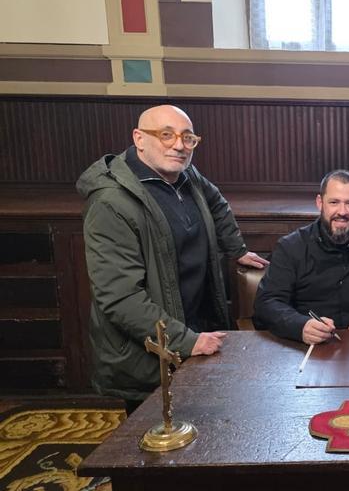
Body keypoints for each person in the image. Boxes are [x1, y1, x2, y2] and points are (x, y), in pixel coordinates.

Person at [77, 104, 268, 413]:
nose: (179, 145)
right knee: (155, 433)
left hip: (196, 331)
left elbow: (216, 203)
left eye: (187, 137)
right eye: (166, 135)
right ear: (139, 138)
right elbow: (121, 298)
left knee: (207, 424)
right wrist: (186, 341)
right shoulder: (110, 203)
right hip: (151, 352)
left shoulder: (185, 173)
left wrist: (236, 249)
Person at [253, 170, 349, 344]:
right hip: (304, 347)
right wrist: (301, 326)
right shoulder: (291, 247)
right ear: (320, 203)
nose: (342, 211)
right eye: (334, 202)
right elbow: (267, 304)